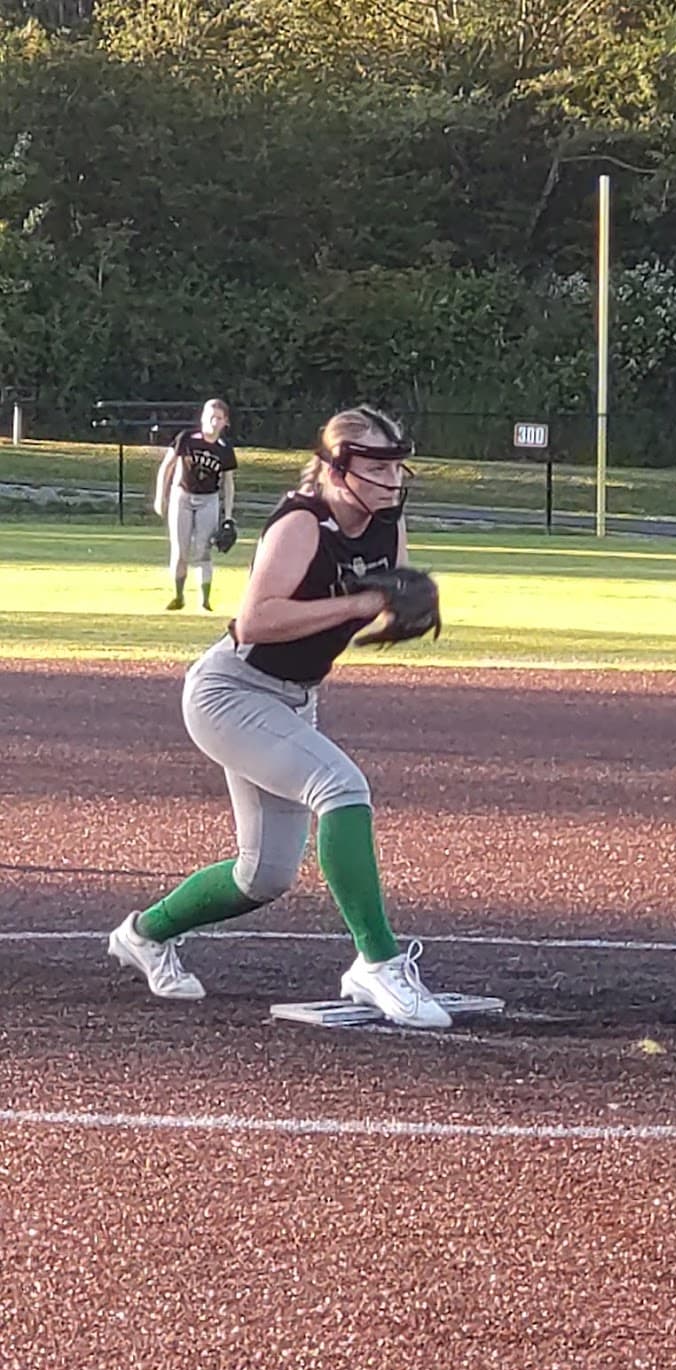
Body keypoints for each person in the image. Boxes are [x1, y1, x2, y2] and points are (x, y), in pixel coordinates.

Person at [109, 404, 452, 1029]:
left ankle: (144, 934)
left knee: (263, 875)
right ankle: (377, 963)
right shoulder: (302, 523)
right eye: (376, 467)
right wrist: (361, 603)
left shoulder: (386, 523)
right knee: (342, 788)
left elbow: (377, 599)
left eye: (395, 467)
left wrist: (402, 607)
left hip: (293, 696)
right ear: (337, 469)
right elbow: (256, 621)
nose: (391, 480)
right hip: (231, 692)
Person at [154, 397, 237, 612]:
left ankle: (204, 600)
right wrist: (160, 496)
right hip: (182, 496)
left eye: (219, 418)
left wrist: (228, 516)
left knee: (203, 551)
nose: (213, 421)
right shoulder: (187, 438)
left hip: (208, 499)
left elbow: (228, 484)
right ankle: (178, 596)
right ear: (202, 418)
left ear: (225, 422)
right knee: (180, 550)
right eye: (210, 416)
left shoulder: (224, 449)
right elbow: (166, 467)